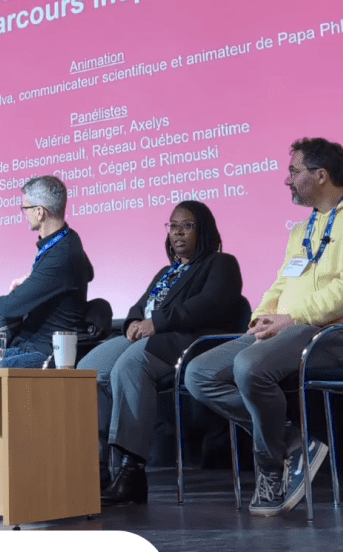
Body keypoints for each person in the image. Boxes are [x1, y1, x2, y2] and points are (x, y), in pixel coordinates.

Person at [185, 138, 343, 517]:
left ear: (321, 174)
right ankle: (294, 444)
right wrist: (261, 318)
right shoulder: (303, 228)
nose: (287, 180)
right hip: (291, 331)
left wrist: (293, 319)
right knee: (199, 373)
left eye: (294, 171)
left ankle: (269, 468)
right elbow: (283, 283)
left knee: (250, 367)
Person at [78, 201, 243, 505]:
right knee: (86, 370)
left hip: (186, 341)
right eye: (173, 226)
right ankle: (96, 466)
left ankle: (132, 472)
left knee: (129, 365)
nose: (178, 232)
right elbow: (140, 306)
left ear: (203, 229)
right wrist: (131, 323)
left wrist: (157, 323)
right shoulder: (166, 272)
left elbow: (210, 305)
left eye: (187, 225)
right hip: (147, 337)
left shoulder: (220, 264)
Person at [0, 175, 93, 369]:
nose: (24, 213)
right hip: (27, 345)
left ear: (39, 212)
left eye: (25, 208)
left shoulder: (61, 254)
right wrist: (37, 281)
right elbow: (89, 272)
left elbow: (9, 307)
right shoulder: (69, 239)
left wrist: (4, 298)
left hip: (44, 352)